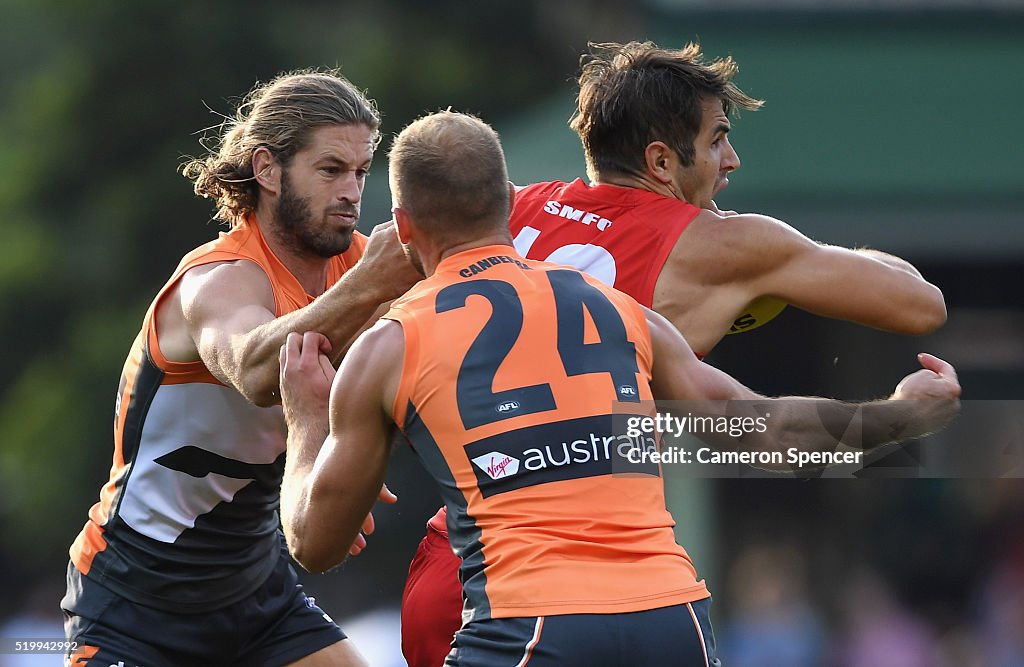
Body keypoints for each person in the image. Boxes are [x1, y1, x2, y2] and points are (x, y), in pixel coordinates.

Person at [278, 111, 960, 665]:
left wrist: (308, 419)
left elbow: (316, 543)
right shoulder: (620, 310)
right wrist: (900, 416)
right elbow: (764, 431)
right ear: (508, 207)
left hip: (532, 626)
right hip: (673, 622)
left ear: (402, 229)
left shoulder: (390, 344)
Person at [61, 70, 420, 667]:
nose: (353, 191)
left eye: (360, 171)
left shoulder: (360, 269)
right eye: (330, 170)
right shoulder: (218, 278)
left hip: (258, 596)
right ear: (267, 170)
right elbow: (256, 369)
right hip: (133, 602)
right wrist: (367, 289)